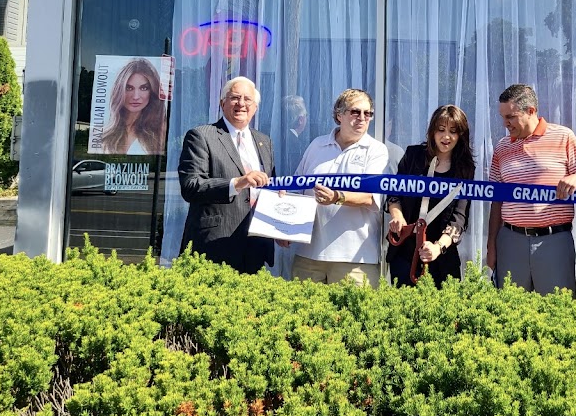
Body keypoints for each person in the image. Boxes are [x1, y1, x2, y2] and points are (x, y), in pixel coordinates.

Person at [487, 84, 576, 294]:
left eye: (510, 117)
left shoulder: (563, 136)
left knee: (557, 309)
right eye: (503, 117)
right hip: (510, 241)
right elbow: (496, 199)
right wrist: (492, 245)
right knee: (510, 308)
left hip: (554, 241)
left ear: (531, 111)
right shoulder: (501, 147)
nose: (505, 123)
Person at [289, 89, 390, 286]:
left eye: (368, 113)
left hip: (355, 257)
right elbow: (297, 188)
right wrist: (285, 228)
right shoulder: (317, 145)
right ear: (339, 115)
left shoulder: (377, 150)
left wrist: (337, 197)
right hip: (309, 254)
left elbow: (371, 197)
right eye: (355, 112)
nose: (362, 118)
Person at [178, 76, 275, 274]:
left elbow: (270, 189)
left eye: (247, 99)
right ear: (223, 103)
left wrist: (279, 225)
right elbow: (191, 186)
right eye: (235, 98)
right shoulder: (202, 136)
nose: (241, 104)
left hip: (255, 247)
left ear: (255, 107)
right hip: (213, 246)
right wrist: (237, 183)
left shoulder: (264, 141)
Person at [386, 104, 475, 287]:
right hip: (405, 252)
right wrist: (397, 216)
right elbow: (394, 193)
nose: (446, 137)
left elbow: (459, 217)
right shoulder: (413, 155)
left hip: (443, 257)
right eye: (441, 130)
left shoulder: (465, 168)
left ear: (461, 135)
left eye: (453, 131)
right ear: (432, 131)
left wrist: (438, 247)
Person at [101, 57, 167, 155]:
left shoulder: (160, 132)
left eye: (144, 88)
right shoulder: (104, 135)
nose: (136, 96)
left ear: (152, 91)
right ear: (120, 91)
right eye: (129, 88)